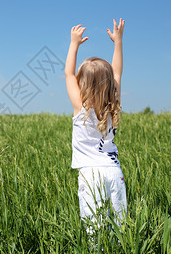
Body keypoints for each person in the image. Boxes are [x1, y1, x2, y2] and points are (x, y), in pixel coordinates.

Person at [64, 19, 128, 238]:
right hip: (113, 171)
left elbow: (68, 74)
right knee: (119, 228)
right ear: (109, 84)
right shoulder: (113, 105)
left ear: (82, 83)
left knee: (95, 232)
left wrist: (74, 43)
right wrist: (117, 42)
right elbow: (117, 73)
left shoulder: (80, 108)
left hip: (90, 174)